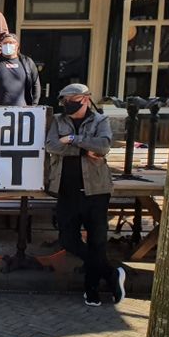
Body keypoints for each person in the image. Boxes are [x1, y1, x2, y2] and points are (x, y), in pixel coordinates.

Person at [45, 83, 126, 307]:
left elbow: (103, 147)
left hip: (95, 191)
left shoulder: (100, 121)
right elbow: (51, 146)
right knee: (68, 239)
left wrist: (72, 140)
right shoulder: (59, 121)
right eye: (64, 100)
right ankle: (111, 273)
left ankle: (91, 291)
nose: (66, 103)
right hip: (66, 190)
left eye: (71, 99)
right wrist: (84, 149)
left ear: (85, 99)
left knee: (97, 241)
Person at [0, 33, 41, 106]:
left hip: (22, 110)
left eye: (11, 43)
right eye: (5, 43)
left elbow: (36, 84)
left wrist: (34, 105)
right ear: (1, 46)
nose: (8, 45)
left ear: (17, 45)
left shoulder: (27, 62)